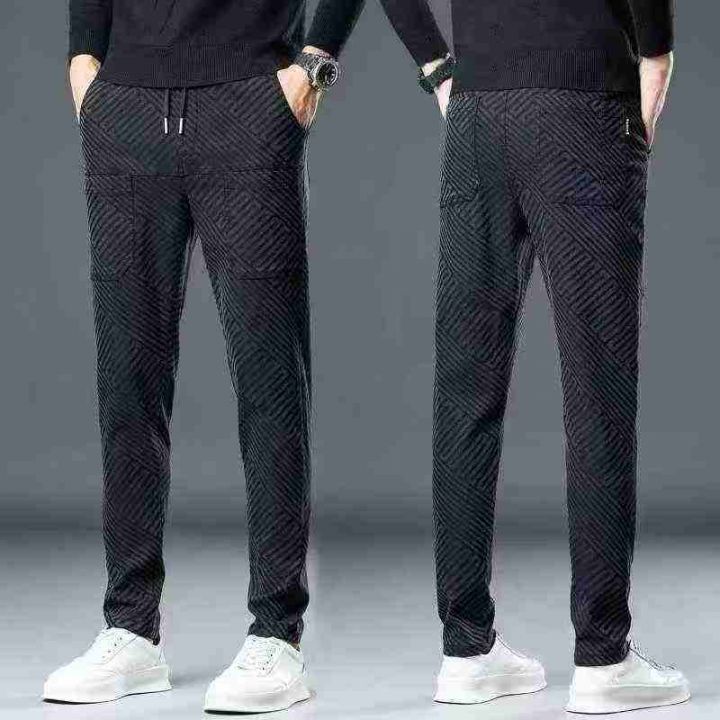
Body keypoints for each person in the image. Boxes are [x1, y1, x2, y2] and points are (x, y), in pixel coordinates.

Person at [331, 0, 687, 713]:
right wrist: (655, 59)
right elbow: (652, 34)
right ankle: (603, 658)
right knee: (598, 387)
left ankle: (465, 651)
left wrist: (439, 68)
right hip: (585, 99)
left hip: (480, 111)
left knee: (467, 389)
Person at [43, 0, 364, 712]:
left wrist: (313, 61)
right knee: (127, 379)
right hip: (125, 109)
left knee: (270, 379)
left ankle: (277, 632)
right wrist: (84, 61)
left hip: (248, 103)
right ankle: (130, 627)